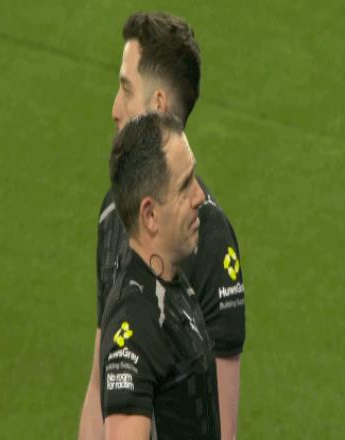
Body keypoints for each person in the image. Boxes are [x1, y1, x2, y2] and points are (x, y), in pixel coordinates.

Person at [78, 12, 245, 440]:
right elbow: (99, 385)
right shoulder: (115, 212)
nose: (115, 109)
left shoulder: (211, 241)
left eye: (126, 88)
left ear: (157, 106)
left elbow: (219, 427)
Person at [101, 112, 219, 439]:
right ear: (150, 215)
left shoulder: (171, 284)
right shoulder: (135, 325)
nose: (200, 196)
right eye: (185, 185)